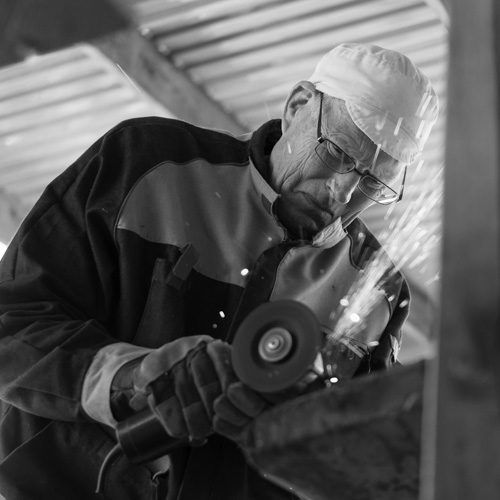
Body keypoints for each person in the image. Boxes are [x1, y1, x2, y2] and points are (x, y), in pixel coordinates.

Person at [0, 42, 438, 500]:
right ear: (298, 106)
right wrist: (134, 377)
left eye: (374, 182)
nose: (343, 196)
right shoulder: (146, 164)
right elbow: (14, 323)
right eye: (337, 153)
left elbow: (363, 466)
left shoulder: (375, 288)